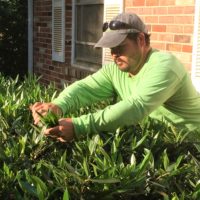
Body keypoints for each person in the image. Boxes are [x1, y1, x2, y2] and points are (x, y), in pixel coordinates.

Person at [30, 13, 200, 142]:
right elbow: (85, 88)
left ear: (141, 40)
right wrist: (58, 106)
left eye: (120, 47)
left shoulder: (165, 66)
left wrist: (78, 126)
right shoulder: (116, 70)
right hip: (157, 142)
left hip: (190, 146)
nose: (114, 54)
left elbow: (136, 107)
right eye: (111, 48)